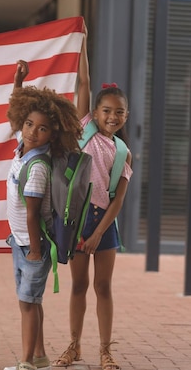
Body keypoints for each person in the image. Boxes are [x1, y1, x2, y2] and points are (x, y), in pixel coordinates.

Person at [52, 29, 132, 370]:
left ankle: (105, 351)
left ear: (125, 116)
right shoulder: (83, 128)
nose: (112, 117)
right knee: (79, 284)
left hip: (104, 224)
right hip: (78, 219)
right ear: (95, 112)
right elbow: (83, 82)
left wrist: (100, 233)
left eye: (119, 113)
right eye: (107, 111)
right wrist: (83, 40)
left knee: (103, 286)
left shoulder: (124, 153)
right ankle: (73, 346)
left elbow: (118, 200)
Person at [6, 60, 84, 370]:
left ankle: (26, 362)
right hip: (20, 241)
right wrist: (18, 82)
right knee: (30, 301)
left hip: (32, 245)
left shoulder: (37, 166)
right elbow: (17, 106)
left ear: (53, 135)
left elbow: (32, 212)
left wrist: (36, 252)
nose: (32, 132)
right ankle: (38, 356)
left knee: (28, 302)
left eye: (42, 128)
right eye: (28, 124)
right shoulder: (22, 148)